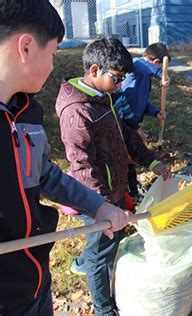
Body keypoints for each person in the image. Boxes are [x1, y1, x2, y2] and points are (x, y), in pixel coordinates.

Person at [0, 1, 129, 314]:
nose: (54, 65)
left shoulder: (27, 112)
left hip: (36, 279)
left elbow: (45, 175)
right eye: (54, 53)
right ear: (27, 47)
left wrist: (98, 205)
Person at [55, 36, 170, 315]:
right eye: (117, 79)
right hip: (96, 198)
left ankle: (96, 272)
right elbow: (82, 166)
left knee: (108, 244)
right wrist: (101, 206)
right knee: (101, 253)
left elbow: (125, 134)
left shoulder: (102, 96)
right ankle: (104, 308)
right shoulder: (77, 111)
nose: (120, 85)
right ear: (95, 71)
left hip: (114, 192)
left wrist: (150, 161)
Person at [116, 42, 170, 198]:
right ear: (155, 62)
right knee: (125, 156)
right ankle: (127, 190)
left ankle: (133, 189)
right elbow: (140, 64)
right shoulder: (135, 66)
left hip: (134, 122)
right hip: (122, 120)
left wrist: (155, 112)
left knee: (131, 156)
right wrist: (162, 75)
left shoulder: (146, 78)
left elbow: (142, 101)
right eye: (159, 66)